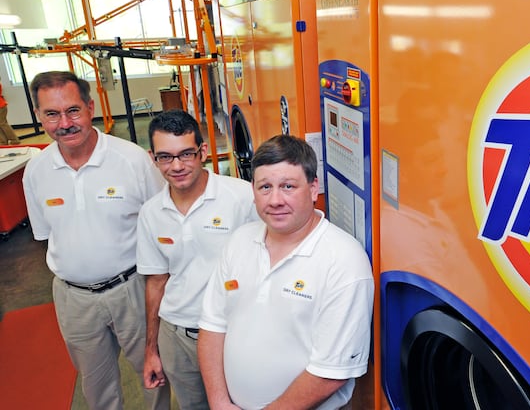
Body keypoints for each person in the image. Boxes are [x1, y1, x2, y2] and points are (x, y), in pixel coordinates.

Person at [21, 70, 170, 410]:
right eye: (52, 114)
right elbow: (46, 235)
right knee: (96, 385)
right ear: (39, 116)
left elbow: (162, 224)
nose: (65, 123)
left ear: (90, 108)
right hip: (73, 299)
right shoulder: (36, 172)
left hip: (132, 290)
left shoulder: (131, 160)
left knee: (153, 374)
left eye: (73, 110)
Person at [198, 134, 374, 409]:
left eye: (288, 186)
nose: (275, 200)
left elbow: (330, 373)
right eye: (265, 187)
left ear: (313, 188)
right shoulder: (239, 241)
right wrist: (219, 402)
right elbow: (212, 326)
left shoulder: (343, 261)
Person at [136, 109, 258, 409]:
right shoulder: (151, 213)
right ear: (153, 158)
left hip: (232, 334)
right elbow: (156, 282)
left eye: (186, 154)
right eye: (165, 157)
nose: (177, 166)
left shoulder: (242, 197)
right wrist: (151, 349)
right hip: (177, 336)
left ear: (202, 152)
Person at [0, 76, 21, 145]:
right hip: (1, 105)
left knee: (3, 124)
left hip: (1, 106)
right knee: (2, 124)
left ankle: (14, 140)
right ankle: (3, 142)